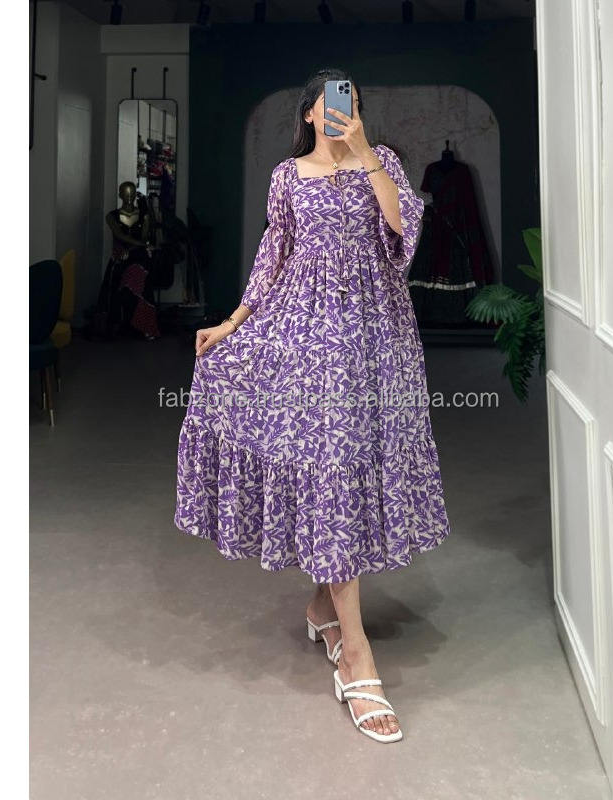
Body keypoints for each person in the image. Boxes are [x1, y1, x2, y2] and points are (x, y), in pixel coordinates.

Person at [174, 68, 451, 743]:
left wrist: (364, 152)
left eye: (350, 104)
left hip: (375, 341)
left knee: (350, 471)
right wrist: (232, 323)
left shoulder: (380, 164)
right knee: (329, 474)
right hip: (305, 339)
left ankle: (325, 610)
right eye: (329, 105)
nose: (339, 113)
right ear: (307, 114)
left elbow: (402, 230)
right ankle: (357, 656)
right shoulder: (287, 177)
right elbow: (273, 259)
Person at [94, 181, 161, 341]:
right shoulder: (112, 216)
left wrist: (140, 246)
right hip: (120, 256)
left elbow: (144, 237)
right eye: (125, 193)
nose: (129, 197)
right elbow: (119, 235)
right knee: (115, 286)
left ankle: (142, 326)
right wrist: (140, 245)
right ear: (120, 195)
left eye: (131, 193)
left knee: (140, 284)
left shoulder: (144, 216)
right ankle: (116, 325)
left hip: (138, 257)